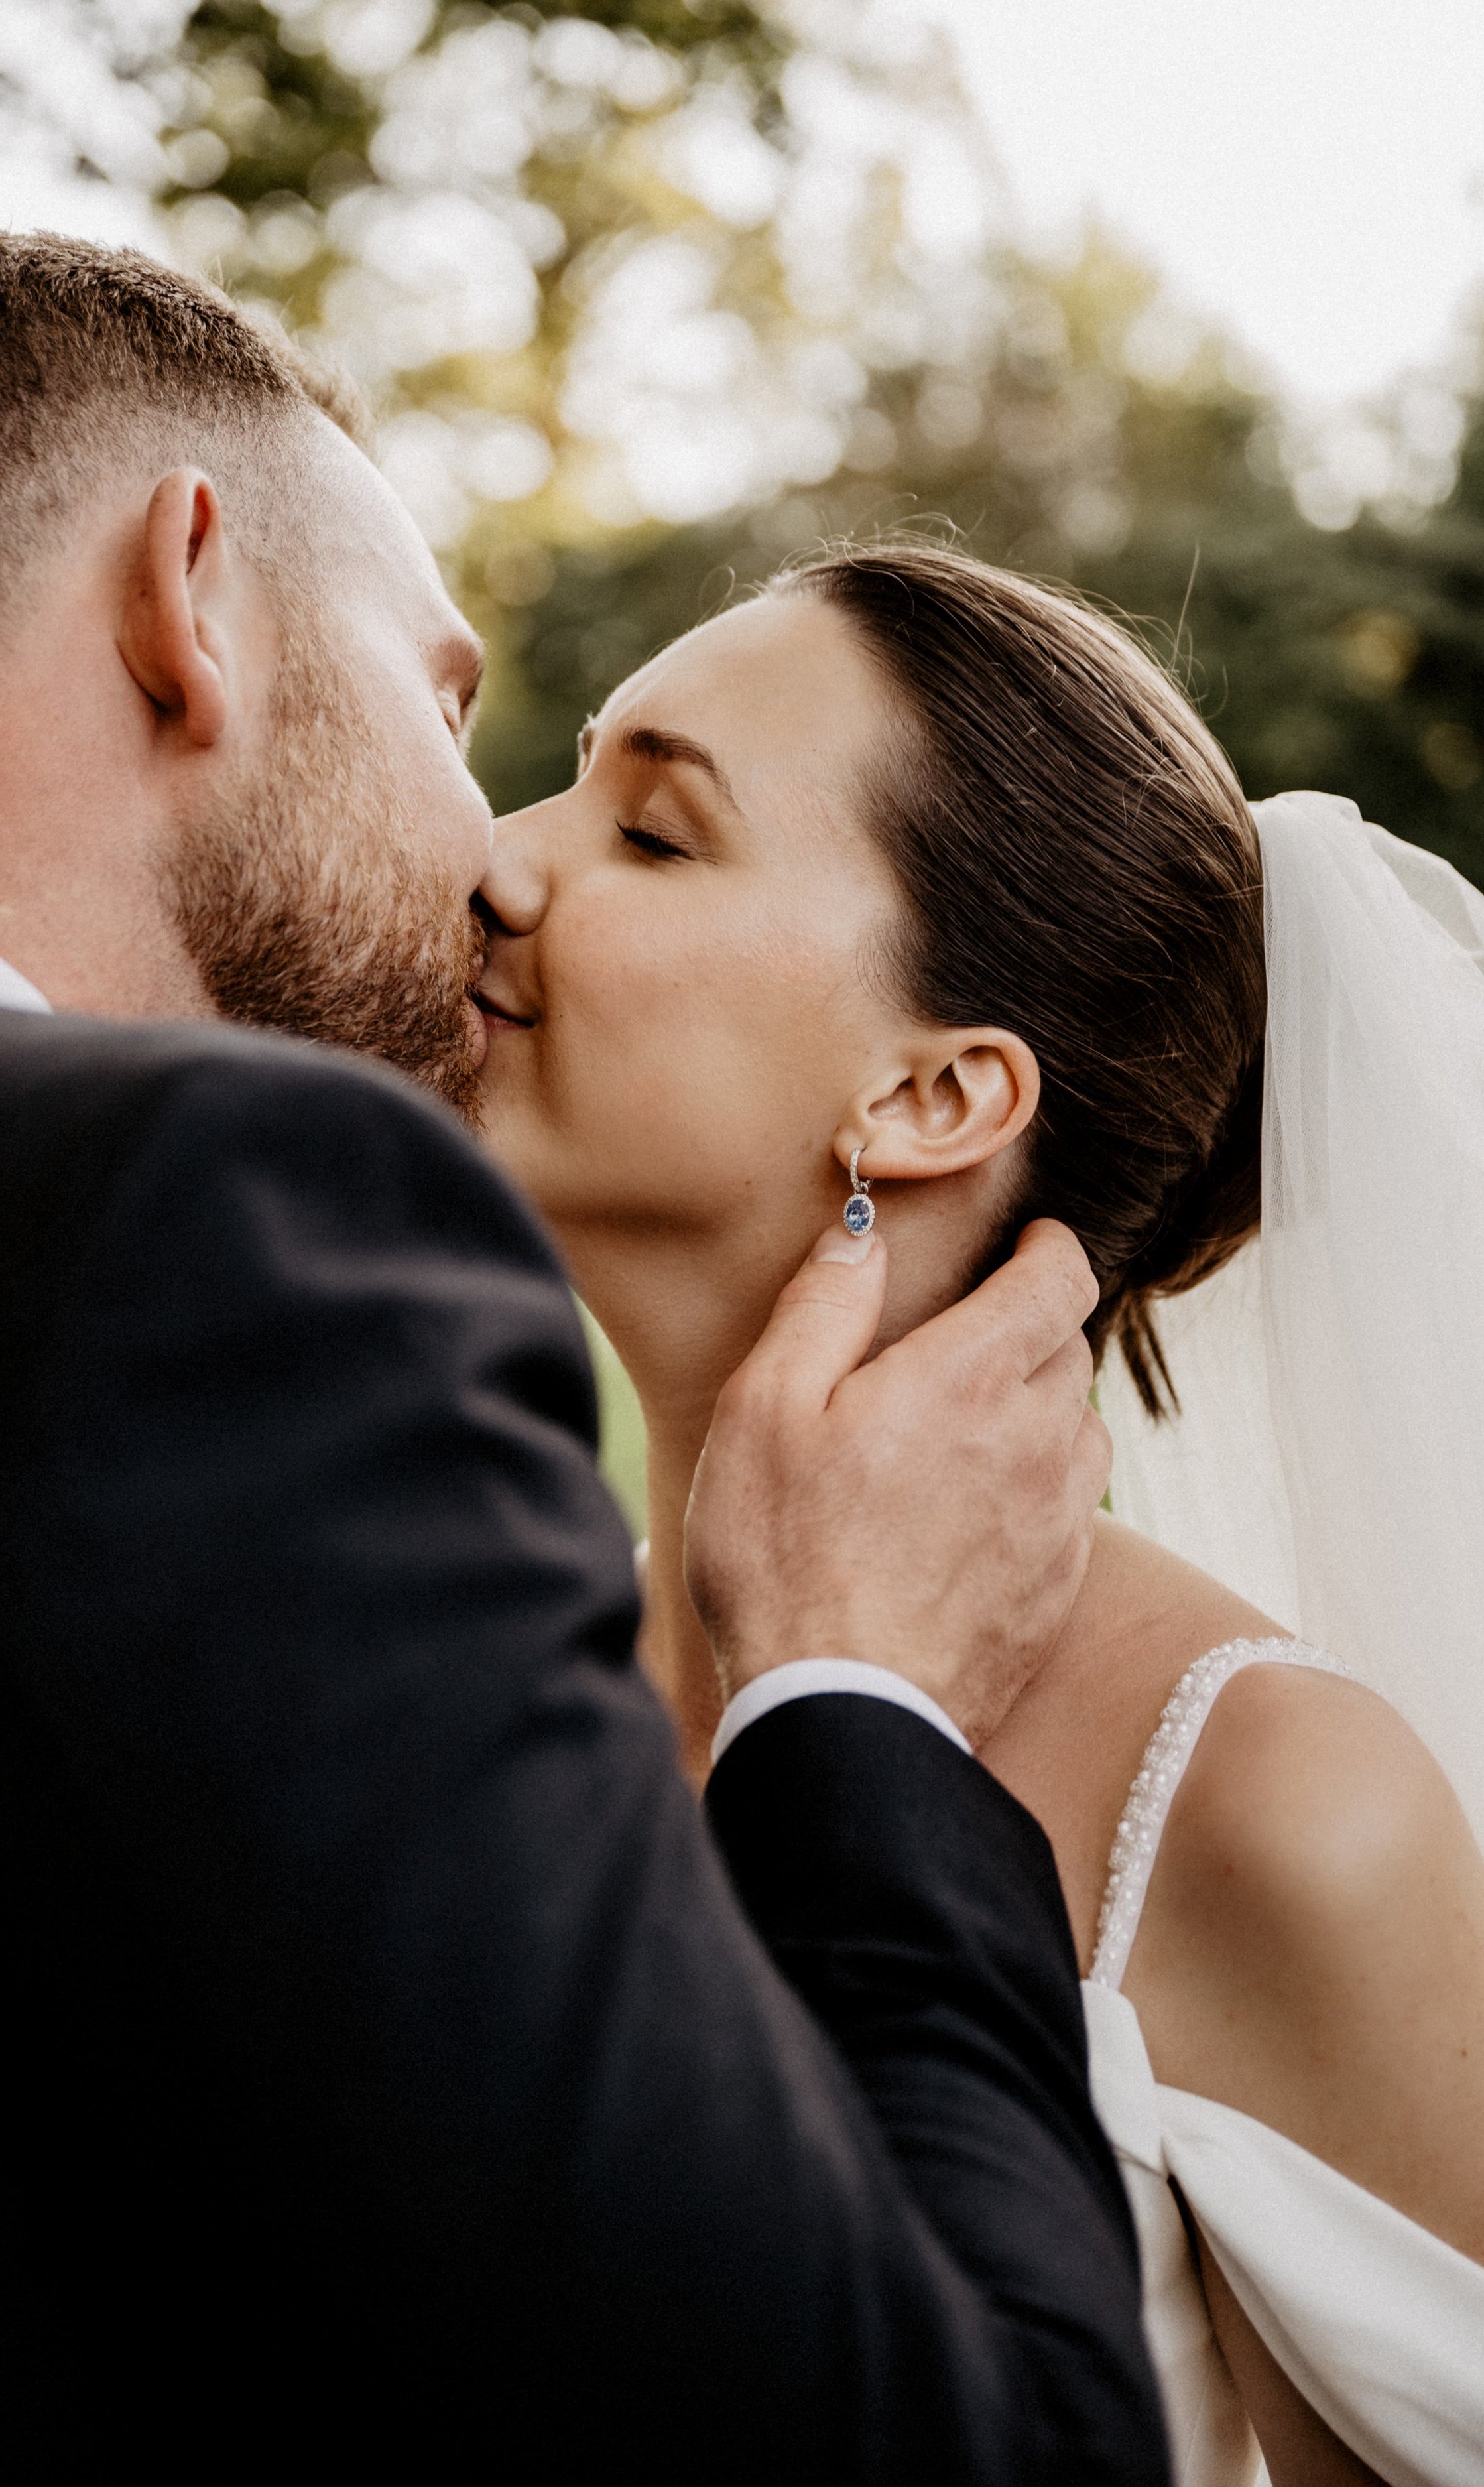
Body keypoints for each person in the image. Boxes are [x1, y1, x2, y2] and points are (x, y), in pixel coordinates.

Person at [0, 236, 1162, 2481]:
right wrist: (863, 1700)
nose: (494, 870)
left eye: (647, 822)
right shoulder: (192, 1230)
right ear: (192, 597)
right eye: (460, 719)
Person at [474, 539, 1484, 2487]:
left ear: (933, 1095)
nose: (500, 859)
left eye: (653, 834)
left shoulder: (1268, 1804)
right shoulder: (488, 1680)